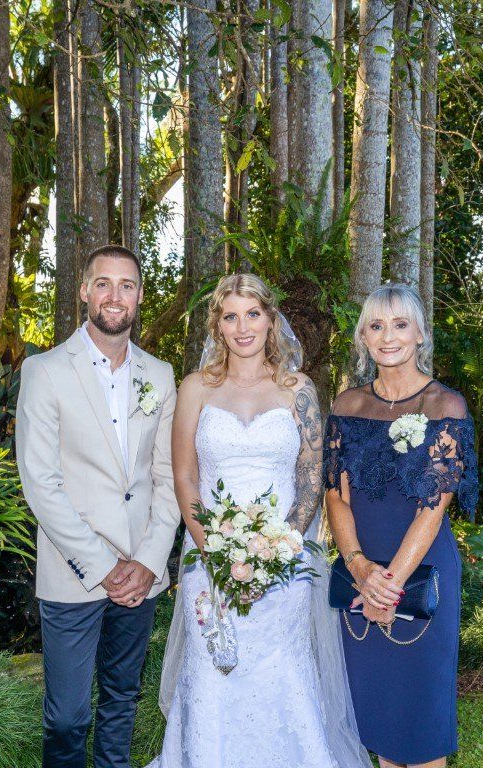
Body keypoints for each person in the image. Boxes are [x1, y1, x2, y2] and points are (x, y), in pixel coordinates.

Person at [150, 273, 371, 768]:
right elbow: (185, 476)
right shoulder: (194, 389)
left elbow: (313, 476)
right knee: (213, 671)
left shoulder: (298, 390)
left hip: (286, 563)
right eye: (231, 316)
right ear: (218, 326)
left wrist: (281, 549)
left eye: (252, 314)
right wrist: (217, 555)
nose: (242, 326)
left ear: (271, 320)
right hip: (208, 559)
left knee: (283, 672)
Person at [15, 244, 181, 768]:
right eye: (104, 284)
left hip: (141, 571)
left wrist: (149, 560)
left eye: (127, 285)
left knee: (121, 702)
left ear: (138, 297)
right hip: (74, 570)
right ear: (84, 291)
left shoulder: (160, 375)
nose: (115, 296)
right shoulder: (44, 371)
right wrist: (105, 566)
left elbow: (166, 477)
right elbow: (41, 482)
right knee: (67, 715)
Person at [325, 283, 478, 768]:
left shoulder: (444, 407)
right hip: (360, 568)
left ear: (420, 335)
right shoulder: (347, 407)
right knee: (382, 720)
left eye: (399, 324)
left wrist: (387, 585)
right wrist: (360, 568)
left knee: (422, 723)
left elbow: (433, 508)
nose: (387, 336)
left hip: (422, 571)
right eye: (376, 325)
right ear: (363, 339)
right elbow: (335, 495)